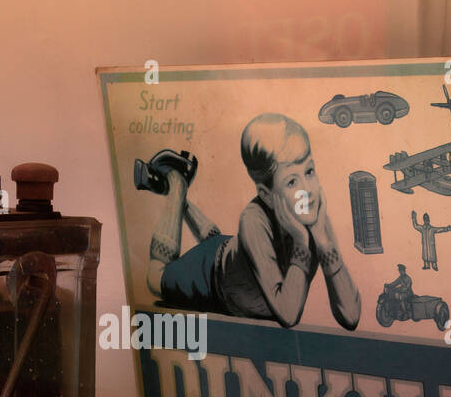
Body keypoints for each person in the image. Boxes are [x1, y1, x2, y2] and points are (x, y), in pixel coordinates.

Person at [136, 113, 360, 330]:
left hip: (232, 253)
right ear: (266, 194)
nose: (308, 190)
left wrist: (324, 242)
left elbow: (350, 317)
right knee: (155, 278)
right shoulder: (253, 219)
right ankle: (176, 183)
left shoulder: (313, 214)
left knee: (215, 242)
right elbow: (288, 315)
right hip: (210, 276)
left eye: (309, 171)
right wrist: (302, 242)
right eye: (292, 181)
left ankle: (172, 190)